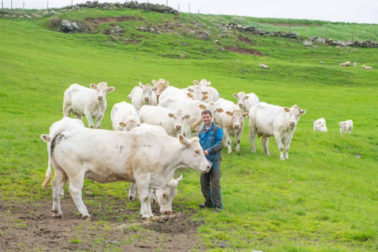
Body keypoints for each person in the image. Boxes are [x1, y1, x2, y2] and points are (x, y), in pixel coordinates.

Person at [198, 109, 224, 212]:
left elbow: (220, 144)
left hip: (215, 161)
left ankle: (218, 206)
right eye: (204, 117)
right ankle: (208, 202)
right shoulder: (201, 132)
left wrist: (209, 150)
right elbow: (198, 145)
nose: (206, 119)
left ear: (211, 117)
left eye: (207, 117)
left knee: (215, 184)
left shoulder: (217, 130)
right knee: (204, 184)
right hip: (204, 161)